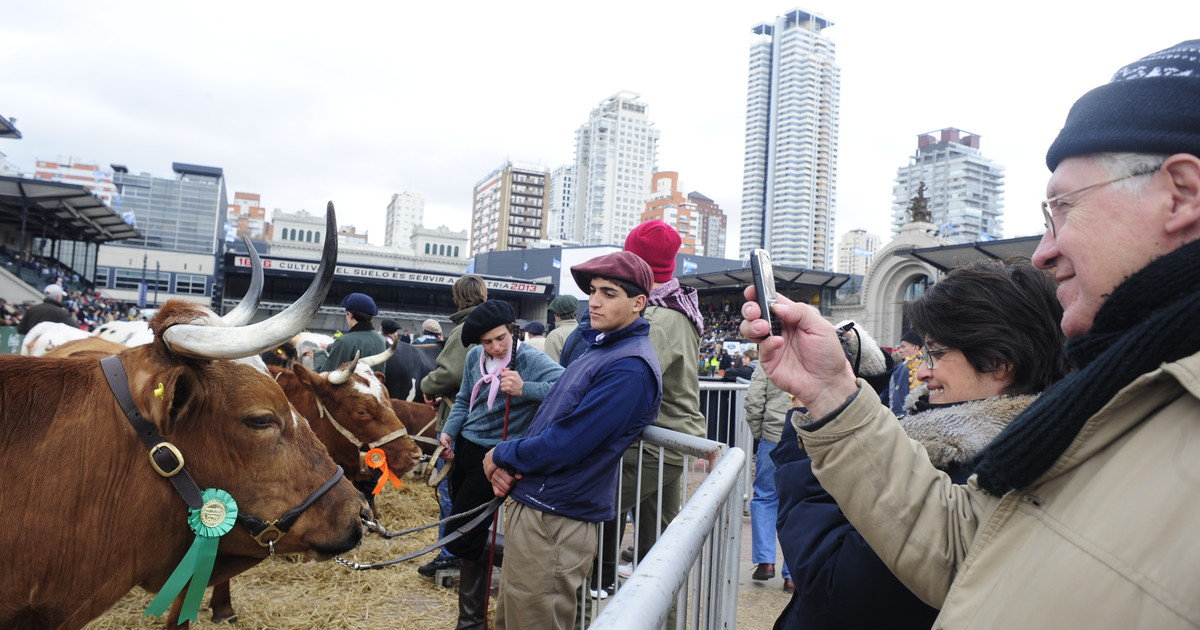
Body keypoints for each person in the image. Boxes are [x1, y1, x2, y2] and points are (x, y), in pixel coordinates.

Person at [743, 40, 1200, 628]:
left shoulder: (1120, 400)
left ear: (1181, 193)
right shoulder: (1109, 396)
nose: (1045, 252)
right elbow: (963, 550)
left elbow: (855, 583)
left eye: (1065, 207)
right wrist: (828, 393)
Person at [771, 258, 1067, 629]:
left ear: (997, 362)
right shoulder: (1036, 442)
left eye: (937, 353)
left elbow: (831, 583)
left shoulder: (983, 472)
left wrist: (814, 433)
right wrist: (863, 373)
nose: (922, 371)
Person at [483, 251, 662, 629]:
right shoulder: (603, 348)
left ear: (638, 303)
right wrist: (510, 462)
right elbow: (552, 423)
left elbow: (569, 442)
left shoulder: (630, 367)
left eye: (609, 293)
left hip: (556, 516)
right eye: (593, 291)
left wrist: (502, 453)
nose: (594, 301)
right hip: (542, 505)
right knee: (511, 619)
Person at [593, 221, 706, 603]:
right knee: (657, 550)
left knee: (582, 508)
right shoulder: (673, 306)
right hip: (668, 439)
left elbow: (625, 383)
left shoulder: (658, 319)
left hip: (655, 445)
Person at [437, 300, 564, 630]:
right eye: (487, 342)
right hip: (466, 448)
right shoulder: (473, 358)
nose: (495, 347)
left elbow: (567, 388)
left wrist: (524, 388)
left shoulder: (529, 358)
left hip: (497, 456)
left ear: (513, 330)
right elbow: (464, 399)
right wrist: (449, 432)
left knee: (461, 536)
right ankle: (471, 622)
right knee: (463, 534)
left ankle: (538, 559)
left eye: (500, 338)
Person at [418, 273, 488, 578]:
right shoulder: (490, 325)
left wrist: (427, 384)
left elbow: (452, 374)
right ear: (484, 296)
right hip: (479, 422)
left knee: (450, 491)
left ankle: (450, 554)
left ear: (457, 298)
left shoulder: (465, 328)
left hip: (458, 424)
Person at [743, 364, 794, 592]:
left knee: (765, 497)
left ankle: (766, 561)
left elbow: (754, 400)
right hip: (807, 436)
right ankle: (792, 575)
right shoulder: (818, 355)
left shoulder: (770, 359)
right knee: (800, 502)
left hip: (773, 435)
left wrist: (759, 432)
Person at [313, 292, 387, 372]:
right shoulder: (381, 339)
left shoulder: (343, 341)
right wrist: (330, 346)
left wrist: (319, 354)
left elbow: (326, 374)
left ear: (350, 315)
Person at [883, 330, 922, 416]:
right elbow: (890, 392)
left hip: (906, 416)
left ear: (915, 348)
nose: (900, 350)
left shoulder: (922, 366)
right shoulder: (900, 367)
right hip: (900, 416)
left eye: (903, 347)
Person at [543, 294, 578, 363]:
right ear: (575, 312)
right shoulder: (585, 332)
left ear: (557, 314)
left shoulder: (555, 335)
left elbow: (551, 366)